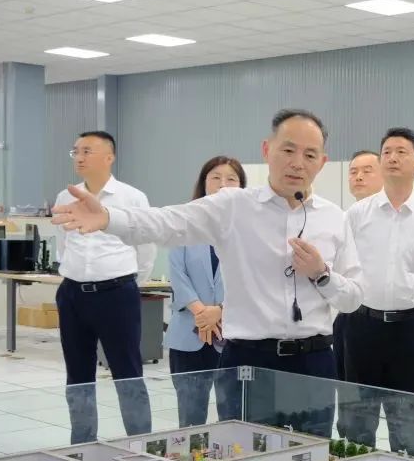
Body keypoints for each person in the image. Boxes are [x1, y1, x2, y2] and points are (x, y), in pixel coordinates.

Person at [52, 109, 363, 438]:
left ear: (322, 162)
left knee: (310, 459)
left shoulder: (335, 218)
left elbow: (353, 298)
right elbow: (167, 223)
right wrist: (108, 218)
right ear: (266, 150)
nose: (298, 163)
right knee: (242, 457)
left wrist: (322, 274)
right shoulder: (233, 206)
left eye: (309, 155)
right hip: (248, 363)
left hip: (313, 363)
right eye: (288, 150)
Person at [342, 127, 414, 458]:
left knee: (408, 425)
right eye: (387, 152)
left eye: (401, 152)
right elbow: (342, 270)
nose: (392, 157)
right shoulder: (356, 215)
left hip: (411, 332)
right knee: (356, 423)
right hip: (361, 325)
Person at [55, 130, 154, 444]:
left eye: (87, 151)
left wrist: (127, 284)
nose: (79, 157)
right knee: (77, 374)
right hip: (73, 294)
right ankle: (82, 443)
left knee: (127, 372)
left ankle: (140, 443)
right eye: (76, 151)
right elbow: (63, 244)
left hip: (116, 294)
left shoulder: (132, 198)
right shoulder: (64, 197)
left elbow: (146, 249)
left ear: (109, 157)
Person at [166, 156, 245, 427]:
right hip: (189, 332)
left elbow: (252, 279)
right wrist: (202, 314)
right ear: (204, 183)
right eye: (216, 177)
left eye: (231, 179)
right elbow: (177, 273)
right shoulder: (186, 221)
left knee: (233, 415)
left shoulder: (249, 228)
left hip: (234, 334)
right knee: (190, 416)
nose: (223, 184)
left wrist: (220, 311)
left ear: (241, 186)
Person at [332, 150, 383, 437]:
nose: (358, 176)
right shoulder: (341, 219)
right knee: (352, 409)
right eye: (353, 171)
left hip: (394, 320)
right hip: (351, 318)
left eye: (367, 170)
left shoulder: (399, 218)